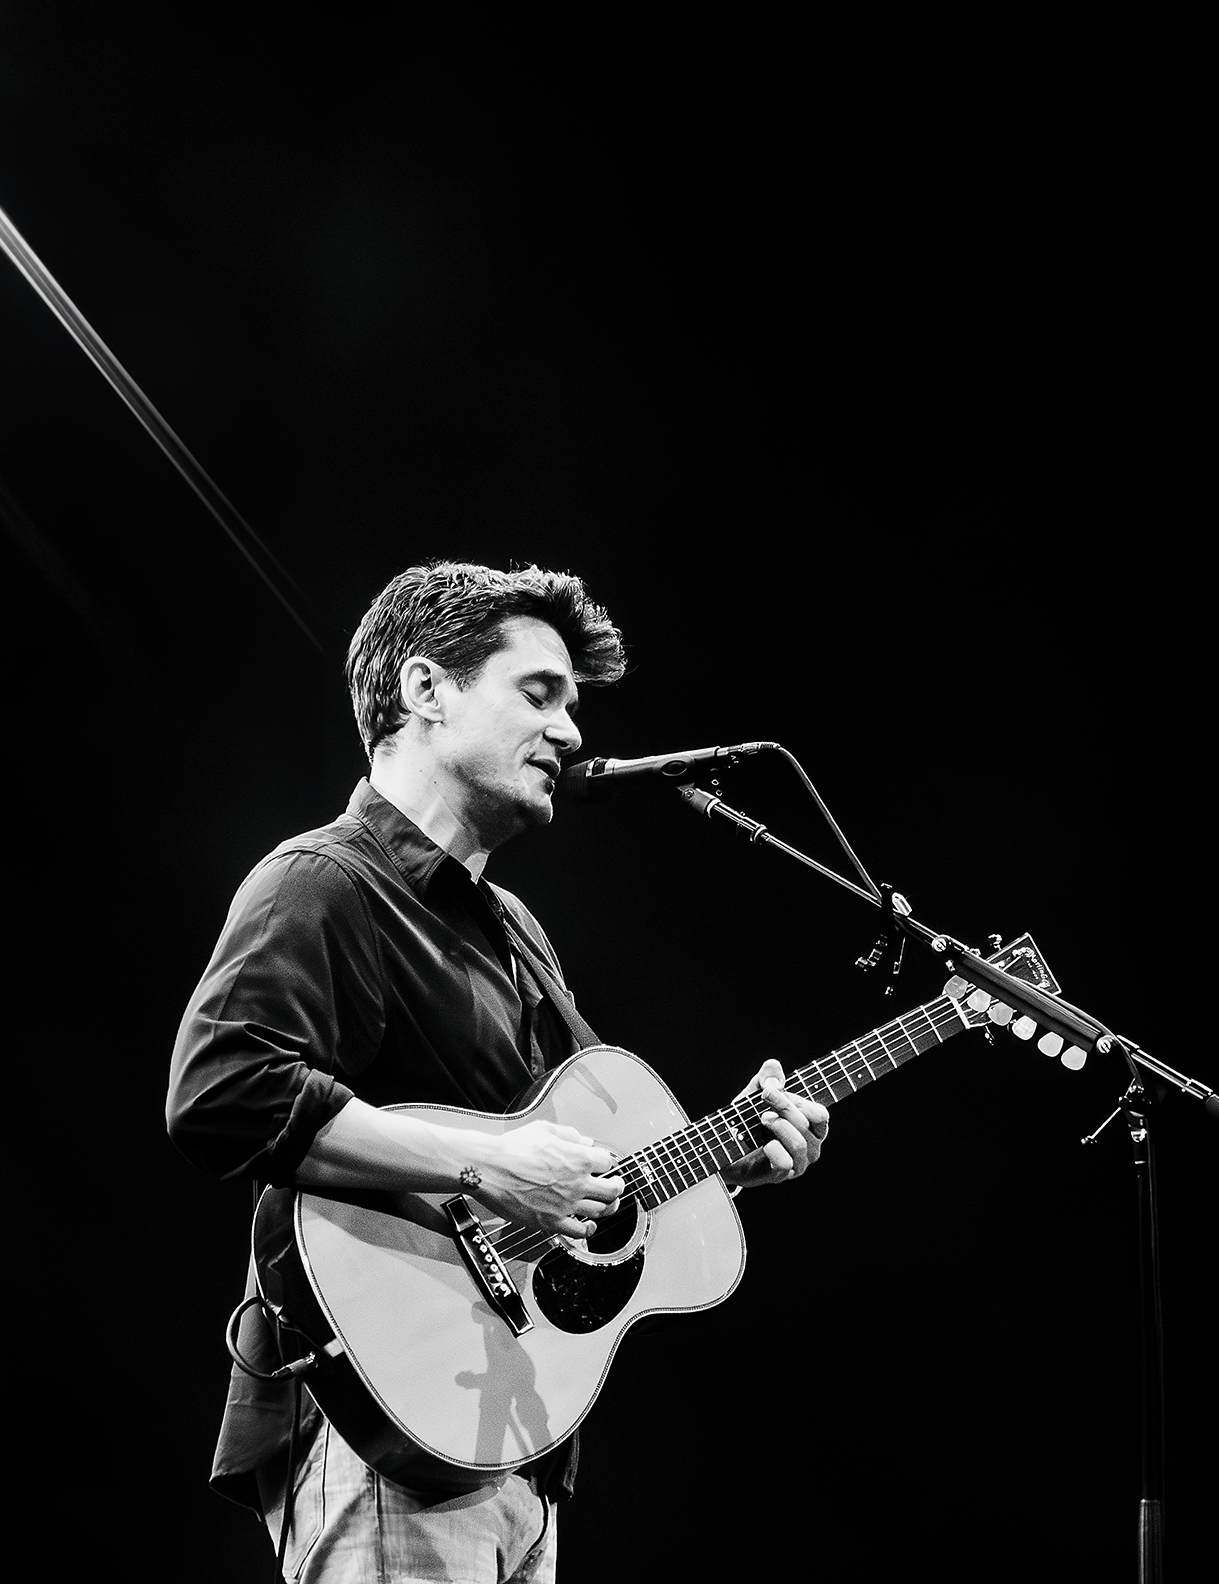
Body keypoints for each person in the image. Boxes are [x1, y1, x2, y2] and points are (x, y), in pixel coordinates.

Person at [165, 561, 831, 1583]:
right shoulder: (322, 882)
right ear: (426, 692)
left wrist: (726, 1160)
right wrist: (486, 1166)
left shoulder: (517, 932)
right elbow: (221, 1092)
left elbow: (585, 1182)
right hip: (380, 1424)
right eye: (540, 693)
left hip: (513, 1438)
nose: (571, 730)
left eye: (572, 703)